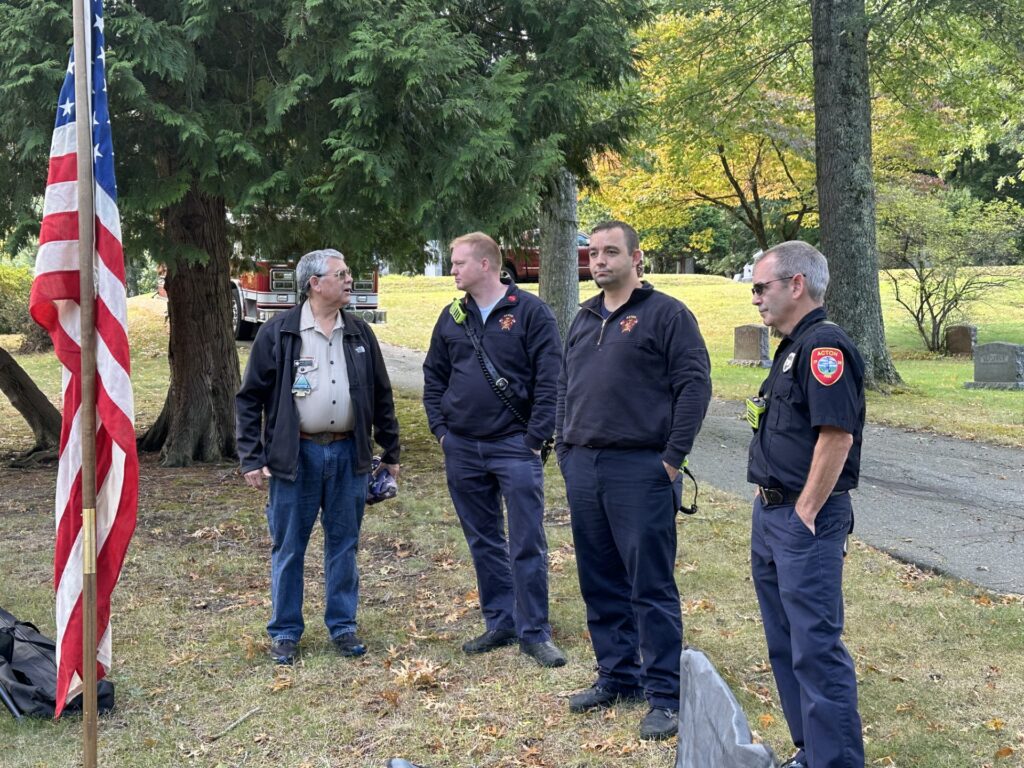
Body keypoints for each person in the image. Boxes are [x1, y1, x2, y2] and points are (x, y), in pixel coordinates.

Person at [556, 220, 712, 740]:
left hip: (641, 469)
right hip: (584, 467)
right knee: (598, 579)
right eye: (593, 253)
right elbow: (565, 387)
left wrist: (671, 459)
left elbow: (694, 387)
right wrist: (564, 448)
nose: (598, 261)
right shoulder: (582, 317)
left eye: (610, 252)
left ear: (636, 257)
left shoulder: (667, 315)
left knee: (649, 585)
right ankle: (617, 675)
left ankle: (665, 694)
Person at [236, 248, 400, 665]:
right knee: (289, 546)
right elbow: (249, 397)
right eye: (340, 274)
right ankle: (286, 632)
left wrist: (391, 450)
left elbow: (382, 396)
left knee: (344, 544)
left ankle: (343, 627)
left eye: (349, 273)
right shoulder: (280, 333)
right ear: (314, 283)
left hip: (349, 454)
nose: (349, 280)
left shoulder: (360, 333)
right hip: (297, 455)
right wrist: (252, 457)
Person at [746, 241, 865, 768]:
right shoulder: (790, 346)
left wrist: (806, 511)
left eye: (760, 287)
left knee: (815, 648)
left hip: (803, 520)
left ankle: (835, 761)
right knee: (784, 642)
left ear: (796, 285)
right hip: (772, 514)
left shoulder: (825, 349)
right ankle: (809, 752)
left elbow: (836, 436)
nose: (755, 299)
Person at [422, 232, 566, 668]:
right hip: (462, 448)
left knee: (527, 540)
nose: (452, 270)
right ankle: (500, 620)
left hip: (513, 446)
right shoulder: (452, 317)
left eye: (458, 263)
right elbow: (434, 377)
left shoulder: (531, 313)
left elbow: (552, 382)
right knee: (483, 539)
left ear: (486, 264)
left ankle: (534, 630)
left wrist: (534, 438)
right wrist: (442, 431)